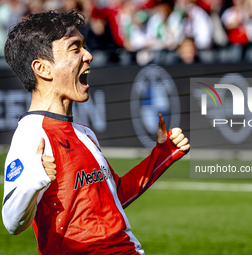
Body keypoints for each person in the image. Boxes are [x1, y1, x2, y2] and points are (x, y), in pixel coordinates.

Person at [2, 10, 190, 254]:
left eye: (85, 46)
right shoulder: (32, 135)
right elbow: (11, 221)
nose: (88, 56)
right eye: (75, 48)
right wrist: (34, 180)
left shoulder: (84, 133)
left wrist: (163, 155)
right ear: (43, 69)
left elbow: (115, 197)